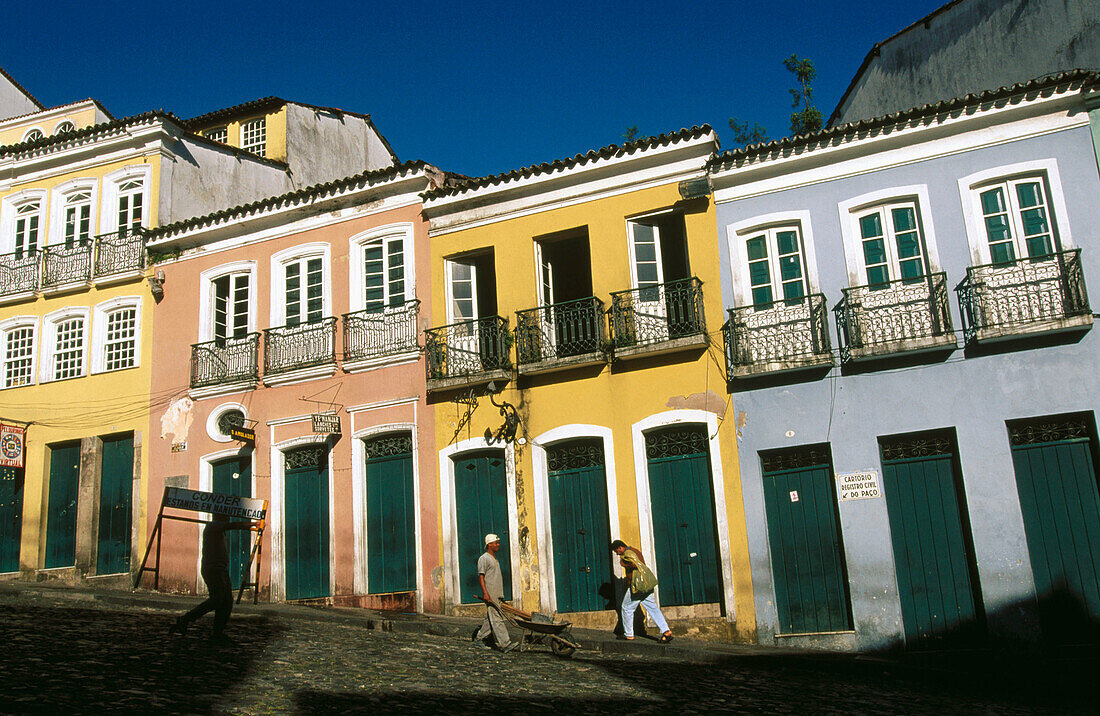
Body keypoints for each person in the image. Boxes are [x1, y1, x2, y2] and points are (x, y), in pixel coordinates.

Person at [169, 511, 256, 641]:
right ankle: (186, 619)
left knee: (226, 601)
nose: (227, 518)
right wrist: (251, 525)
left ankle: (217, 632)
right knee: (217, 599)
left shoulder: (218, 530)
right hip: (214, 570)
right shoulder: (213, 526)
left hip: (221, 569)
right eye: (226, 516)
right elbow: (231, 526)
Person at [611, 539, 673, 643]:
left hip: (637, 586)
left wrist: (623, 564)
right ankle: (666, 631)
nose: (617, 554)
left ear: (619, 548)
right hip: (646, 585)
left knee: (626, 608)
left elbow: (634, 564)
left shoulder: (627, 553)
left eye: (616, 551)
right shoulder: (636, 550)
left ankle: (629, 634)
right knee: (653, 608)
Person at [473, 533, 518, 653]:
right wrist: (485, 593)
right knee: (496, 617)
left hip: (497, 593)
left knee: (491, 617)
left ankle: (479, 639)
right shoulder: (484, 558)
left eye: (498, 542)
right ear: (489, 544)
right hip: (490, 592)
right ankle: (505, 643)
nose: (498, 545)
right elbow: (481, 577)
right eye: (495, 543)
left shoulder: (494, 559)